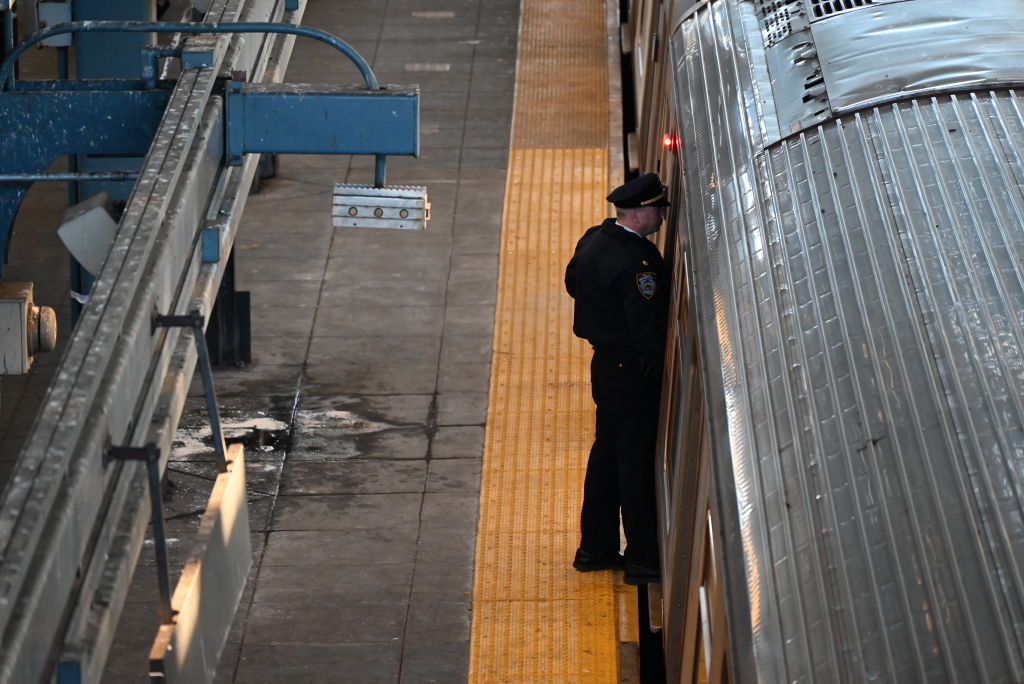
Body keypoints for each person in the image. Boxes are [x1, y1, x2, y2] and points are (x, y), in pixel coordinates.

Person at [564, 172, 670, 586]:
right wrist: (661, 375)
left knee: (606, 455)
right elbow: (648, 331)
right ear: (640, 214)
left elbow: (574, 283)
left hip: (606, 366)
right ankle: (642, 558)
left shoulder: (594, 239)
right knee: (634, 462)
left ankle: (595, 548)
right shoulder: (636, 265)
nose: (662, 216)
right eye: (659, 210)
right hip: (631, 374)